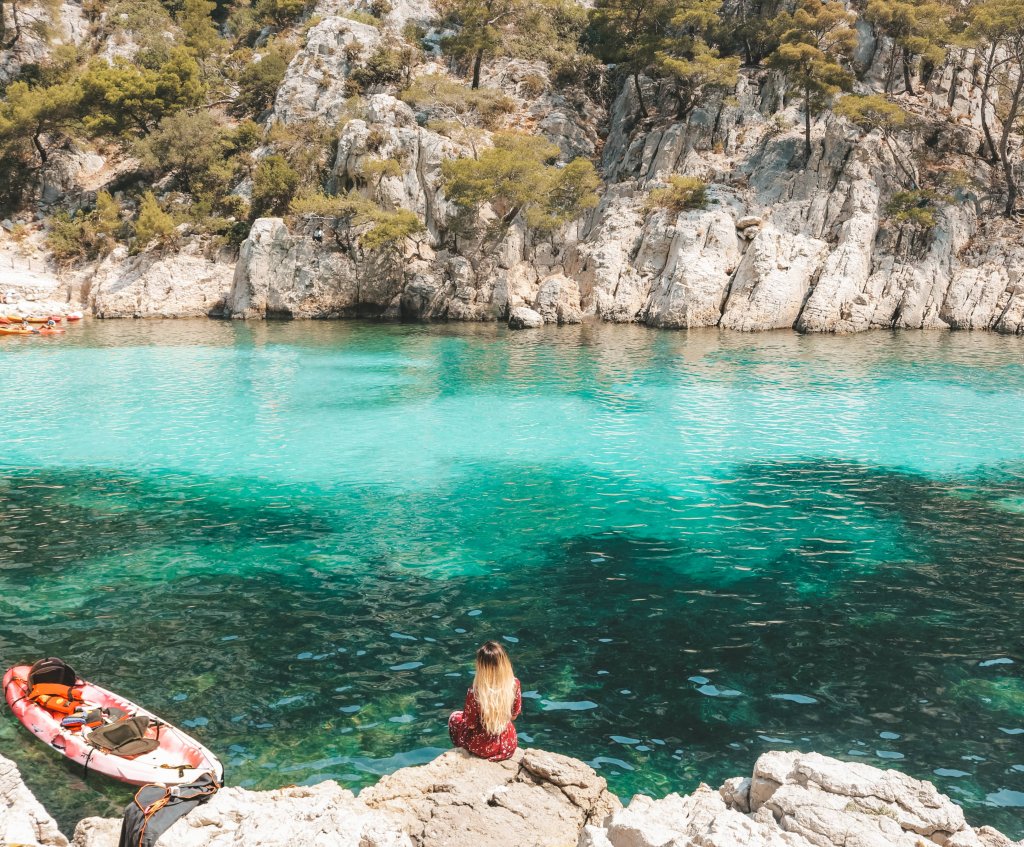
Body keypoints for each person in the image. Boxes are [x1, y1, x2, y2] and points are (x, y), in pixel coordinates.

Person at [448, 641, 522, 761]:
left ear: (481, 666)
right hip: (508, 745)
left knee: (454, 717)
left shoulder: (475, 691)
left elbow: (471, 725)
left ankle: (461, 751)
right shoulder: (514, 684)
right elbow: (514, 716)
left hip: (482, 746)